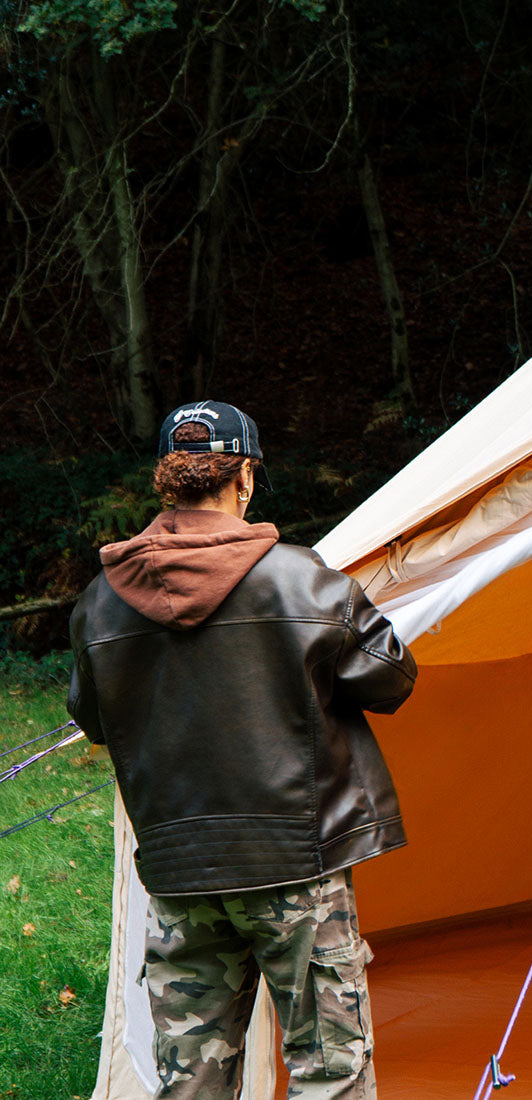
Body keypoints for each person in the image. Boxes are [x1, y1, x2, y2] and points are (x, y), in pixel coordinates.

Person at [68, 400, 417, 1099]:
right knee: (331, 1073)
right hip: (297, 864)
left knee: (191, 1083)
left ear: (167, 481)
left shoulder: (100, 603)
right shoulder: (302, 578)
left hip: (178, 872)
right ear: (245, 479)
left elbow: (93, 718)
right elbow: (391, 679)